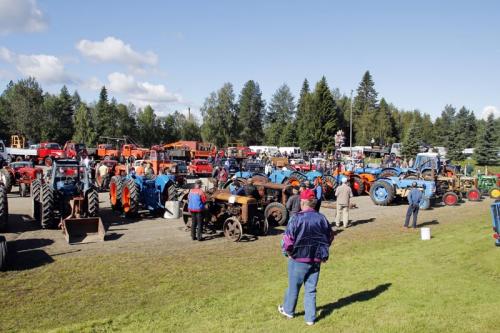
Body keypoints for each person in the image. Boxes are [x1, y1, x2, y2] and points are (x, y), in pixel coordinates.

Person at [279, 189, 334, 326]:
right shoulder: (322, 218)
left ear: (303, 202)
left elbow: (287, 240)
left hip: (298, 259)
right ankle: (310, 318)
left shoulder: (296, 218)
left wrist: (287, 252)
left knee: (293, 286)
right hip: (316, 260)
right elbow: (330, 237)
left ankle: (288, 310)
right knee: (311, 289)